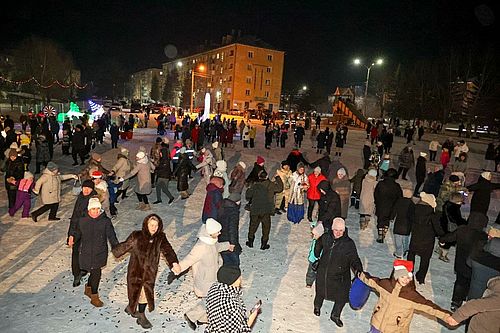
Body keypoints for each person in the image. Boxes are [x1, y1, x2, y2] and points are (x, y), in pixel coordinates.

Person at [112, 214, 180, 329]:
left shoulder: (160, 238)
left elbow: (168, 250)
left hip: (149, 273)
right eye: (151, 225)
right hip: (135, 271)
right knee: (133, 291)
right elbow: (125, 245)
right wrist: (116, 250)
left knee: (144, 293)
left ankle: (141, 315)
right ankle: (131, 306)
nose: (154, 227)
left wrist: (174, 262)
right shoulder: (137, 236)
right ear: (146, 225)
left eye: (156, 225)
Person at [359, 260, 452, 333]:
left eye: (408, 277)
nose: (405, 280)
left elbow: (430, 307)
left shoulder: (411, 296)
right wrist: (360, 274)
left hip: (395, 330)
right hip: (377, 323)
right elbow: (372, 281)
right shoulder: (386, 285)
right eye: (402, 276)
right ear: (396, 276)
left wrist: (446, 316)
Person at [172, 219, 230, 330]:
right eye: (218, 231)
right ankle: (190, 315)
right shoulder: (201, 247)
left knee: (210, 299)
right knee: (211, 300)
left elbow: (217, 247)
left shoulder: (212, 241)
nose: (219, 233)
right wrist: (177, 269)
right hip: (204, 280)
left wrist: (227, 246)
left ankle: (202, 318)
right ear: (210, 232)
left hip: (212, 277)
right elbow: (189, 259)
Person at [68, 198, 119, 307]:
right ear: (89, 209)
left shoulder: (105, 221)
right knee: (91, 270)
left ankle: (94, 295)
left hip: (99, 252)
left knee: (96, 272)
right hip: (85, 251)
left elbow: (111, 235)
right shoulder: (83, 220)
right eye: (93, 209)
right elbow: (77, 232)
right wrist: (72, 237)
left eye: (97, 209)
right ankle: (88, 288)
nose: (95, 212)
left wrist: (116, 247)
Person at [313, 218, 363, 327]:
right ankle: (317, 306)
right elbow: (318, 244)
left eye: (341, 230)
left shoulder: (348, 243)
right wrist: (317, 254)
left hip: (341, 275)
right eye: (336, 230)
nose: (338, 233)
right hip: (324, 271)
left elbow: (354, 259)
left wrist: (359, 270)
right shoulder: (326, 237)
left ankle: (335, 315)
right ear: (332, 229)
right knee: (320, 291)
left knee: (342, 296)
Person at [439, 212, 488, 311]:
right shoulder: (482, 236)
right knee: (470, 282)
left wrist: (442, 239)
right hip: (474, 264)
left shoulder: (462, 230)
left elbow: (450, 237)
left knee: (460, 282)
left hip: (461, 262)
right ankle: (465, 297)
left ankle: (456, 302)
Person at [205, 265, 260, 333]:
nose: (241, 278)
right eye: (239, 277)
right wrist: (251, 319)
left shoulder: (215, 287)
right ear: (233, 281)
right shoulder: (232, 307)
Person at [407, 192, 444, 284]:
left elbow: (409, 220)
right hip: (427, 240)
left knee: (411, 254)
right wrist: (442, 237)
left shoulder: (414, 209)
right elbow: (437, 229)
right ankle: (421, 277)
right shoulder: (433, 215)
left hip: (415, 237)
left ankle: (409, 272)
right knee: (425, 259)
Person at [245, 170, 283, 249]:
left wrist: (249, 189)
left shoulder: (255, 185)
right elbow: (280, 188)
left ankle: (250, 242)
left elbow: (248, 196)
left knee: (252, 226)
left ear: (259, 177)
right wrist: (277, 177)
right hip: (266, 210)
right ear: (266, 177)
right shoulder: (271, 185)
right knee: (266, 227)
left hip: (255, 209)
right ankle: (263, 244)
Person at [374, 168, 402, 243]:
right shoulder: (397, 186)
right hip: (392, 207)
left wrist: (377, 202)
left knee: (380, 220)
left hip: (381, 205)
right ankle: (384, 233)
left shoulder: (381, 184)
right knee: (387, 220)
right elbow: (400, 197)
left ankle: (380, 235)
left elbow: (376, 194)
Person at [218, 192, 242, 266]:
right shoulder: (233, 211)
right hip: (228, 240)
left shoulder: (222, 206)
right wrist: (233, 243)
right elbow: (232, 228)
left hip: (221, 238)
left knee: (225, 259)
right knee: (234, 262)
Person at [392, 188, 415, 259]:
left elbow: (394, 210)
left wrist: (392, 217)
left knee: (398, 239)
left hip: (398, 224)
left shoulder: (399, 202)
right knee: (406, 238)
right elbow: (413, 215)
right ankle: (405, 249)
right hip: (407, 225)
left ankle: (398, 253)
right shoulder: (412, 204)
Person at [153, 141, 175, 205]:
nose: (160, 154)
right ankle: (159, 199)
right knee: (158, 187)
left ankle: (171, 197)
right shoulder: (164, 159)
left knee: (164, 189)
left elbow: (161, 168)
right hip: (162, 175)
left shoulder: (164, 161)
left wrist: (157, 168)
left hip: (164, 176)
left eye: (161, 153)